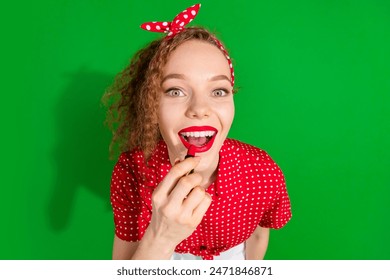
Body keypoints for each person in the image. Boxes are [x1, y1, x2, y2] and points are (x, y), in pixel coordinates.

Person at [104, 4, 292, 260]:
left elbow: (259, 235)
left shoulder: (263, 172)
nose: (200, 109)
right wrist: (162, 236)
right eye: (175, 91)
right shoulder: (131, 170)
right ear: (151, 105)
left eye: (218, 91)